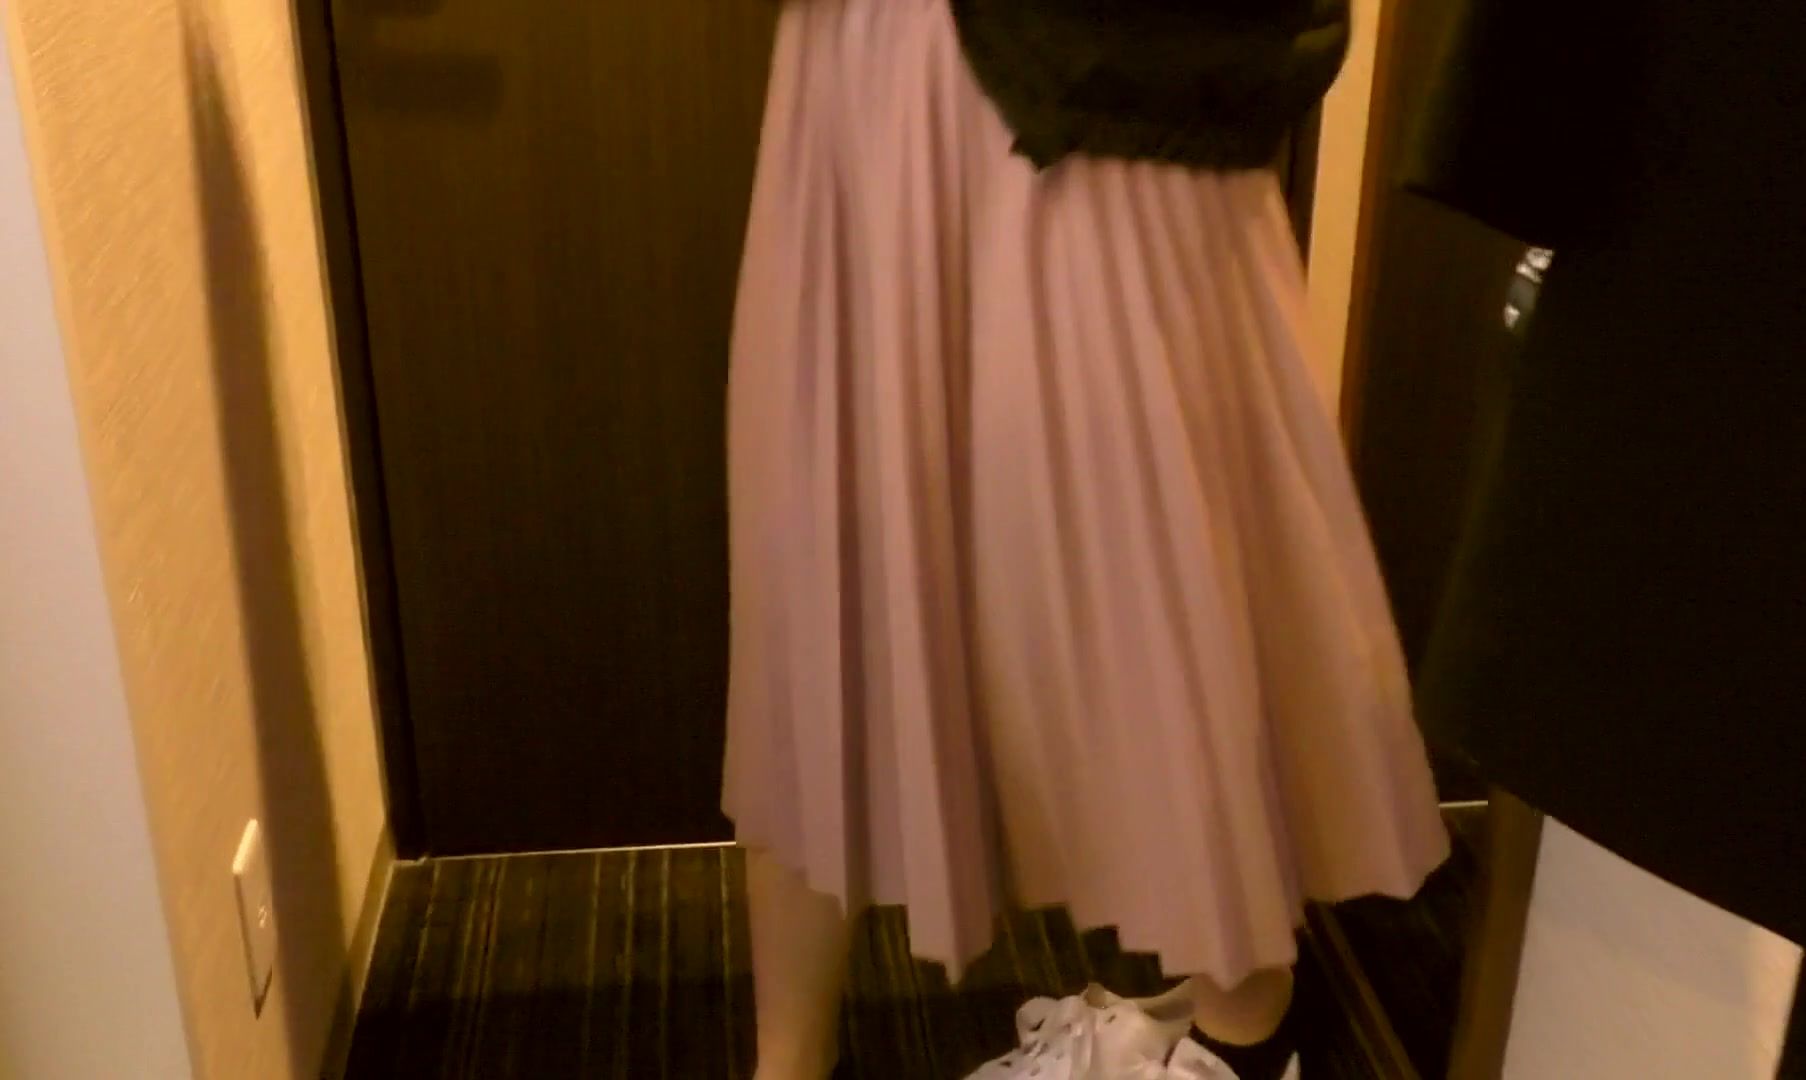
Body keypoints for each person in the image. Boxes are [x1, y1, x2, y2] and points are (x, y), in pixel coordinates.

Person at [724, 1, 1449, 1076]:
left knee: (1153, 571)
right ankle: (788, 1067)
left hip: (1114, 75)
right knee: (831, 553)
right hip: (874, 63)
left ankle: (1237, 1043)